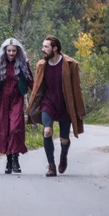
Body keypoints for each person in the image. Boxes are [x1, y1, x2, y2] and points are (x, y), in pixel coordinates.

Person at [25, 35, 86, 177]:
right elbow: (37, 87)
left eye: (46, 47)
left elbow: (77, 89)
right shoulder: (41, 65)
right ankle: (51, 166)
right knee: (47, 131)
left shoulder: (71, 65)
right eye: (43, 46)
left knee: (64, 139)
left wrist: (79, 110)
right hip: (48, 103)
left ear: (55, 48)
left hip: (65, 105)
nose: (43, 50)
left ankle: (63, 155)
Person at [0, 38, 34, 174]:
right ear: (5, 51)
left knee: (15, 128)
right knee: (5, 130)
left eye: (13, 51)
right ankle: (9, 160)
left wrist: (39, 96)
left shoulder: (22, 64)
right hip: (2, 100)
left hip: (16, 99)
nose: (11, 53)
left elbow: (30, 81)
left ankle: (15, 158)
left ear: (17, 51)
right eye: (9, 51)